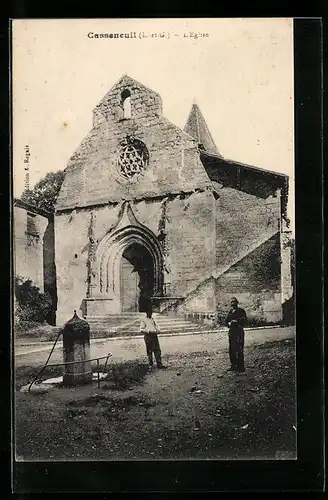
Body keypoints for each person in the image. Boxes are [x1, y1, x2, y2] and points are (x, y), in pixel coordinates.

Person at [225, 297, 247, 372]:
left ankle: (241, 367)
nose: (233, 303)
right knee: (232, 349)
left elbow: (245, 320)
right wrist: (228, 323)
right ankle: (233, 365)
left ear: (237, 303)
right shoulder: (230, 312)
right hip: (232, 333)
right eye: (231, 302)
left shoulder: (241, 311)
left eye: (234, 302)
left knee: (239, 349)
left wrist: (236, 321)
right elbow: (226, 321)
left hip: (239, 332)